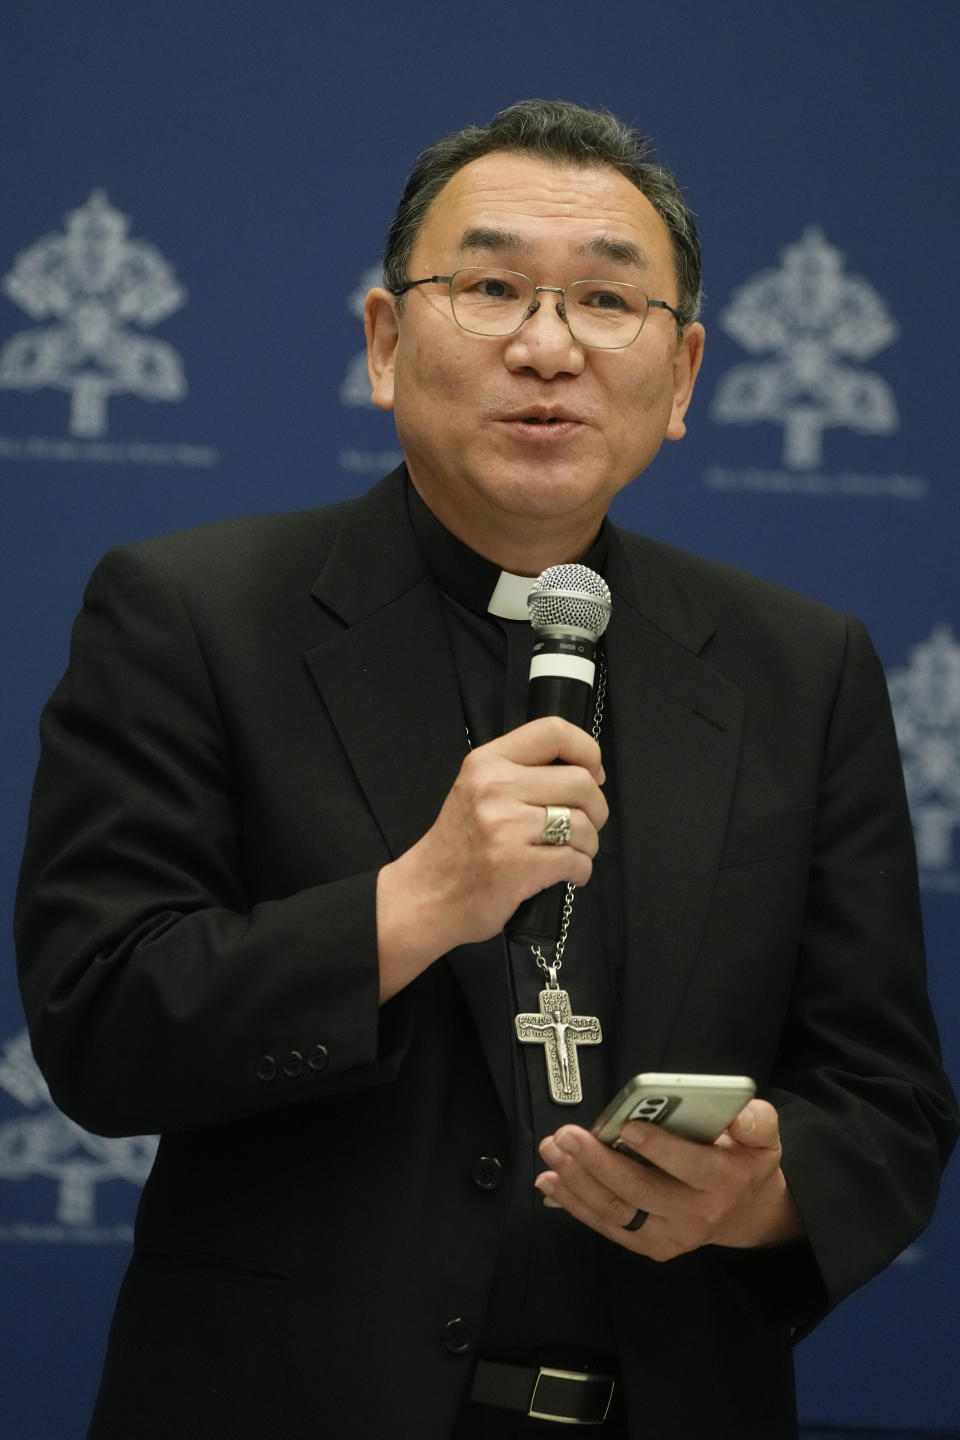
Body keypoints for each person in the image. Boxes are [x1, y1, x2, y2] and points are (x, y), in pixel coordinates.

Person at [15, 99, 957, 1440]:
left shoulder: (801, 668)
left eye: (606, 303)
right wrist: (416, 903)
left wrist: (761, 1195)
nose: (548, 345)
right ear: (387, 345)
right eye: (494, 287)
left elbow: (889, 1099)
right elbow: (102, 1029)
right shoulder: (193, 615)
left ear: (683, 377)